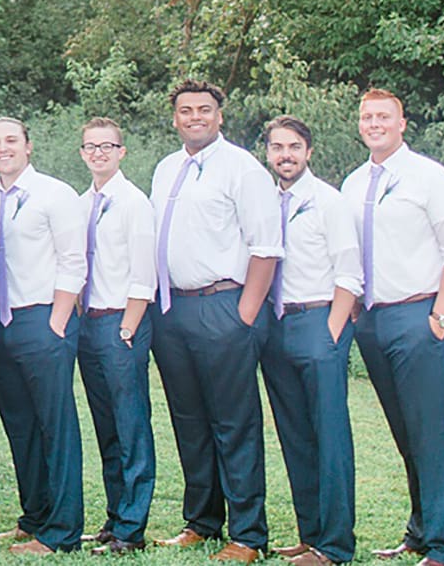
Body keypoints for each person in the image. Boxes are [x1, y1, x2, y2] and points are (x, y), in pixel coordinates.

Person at [149, 81, 281, 564]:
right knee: (190, 421)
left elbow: (266, 248)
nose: (194, 117)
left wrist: (244, 314)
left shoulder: (242, 169)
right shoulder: (167, 169)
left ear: (220, 116)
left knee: (234, 422)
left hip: (224, 305)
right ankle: (202, 521)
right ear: (176, 118)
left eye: (204, 110)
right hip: (174, 310)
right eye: (186, 111)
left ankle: (248, 533)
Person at [342, 88, 444, 566]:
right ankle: (419, 531)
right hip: (374, 320)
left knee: (430, 432)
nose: (374, 123)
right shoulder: (354, 183)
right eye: (367, 116)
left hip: (420, 316)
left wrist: (440, 315)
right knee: (404, 432)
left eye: (384, 116)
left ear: (402, 122)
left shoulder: (430, 178)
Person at [0, 115, 86, 556]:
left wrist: (58, 319)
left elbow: (73, 260)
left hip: (42, 318)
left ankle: (62, 531)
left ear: (28, 145)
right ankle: (35, 515)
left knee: (55, 424)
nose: (2, 148)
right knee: (20, 426)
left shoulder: (54, 194)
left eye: (10, 140)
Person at [259, 115, 361, 566]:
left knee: (330, 435)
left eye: (294, 147)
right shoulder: (264, 202)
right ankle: (310, 533)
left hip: (319, 320)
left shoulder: (329, 202)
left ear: (309, 151)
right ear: (268, 153)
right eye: (278, 147)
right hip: (276, 327)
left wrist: (333, 330)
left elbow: (350, 274)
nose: (286, 155)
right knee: (295, 434)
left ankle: (336, 546)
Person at [73, 117, 157, 557]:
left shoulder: (132, 202)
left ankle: (132, 525)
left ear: (122, 151)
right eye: (91, 147)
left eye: (108, 146)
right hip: (88, 322)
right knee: (106, 425)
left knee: (130, 424)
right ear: (83, 153)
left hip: (121, 322)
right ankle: (113, 513)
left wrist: (128, 325)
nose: (99, 153)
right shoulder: (83, 202)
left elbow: (144, 273)